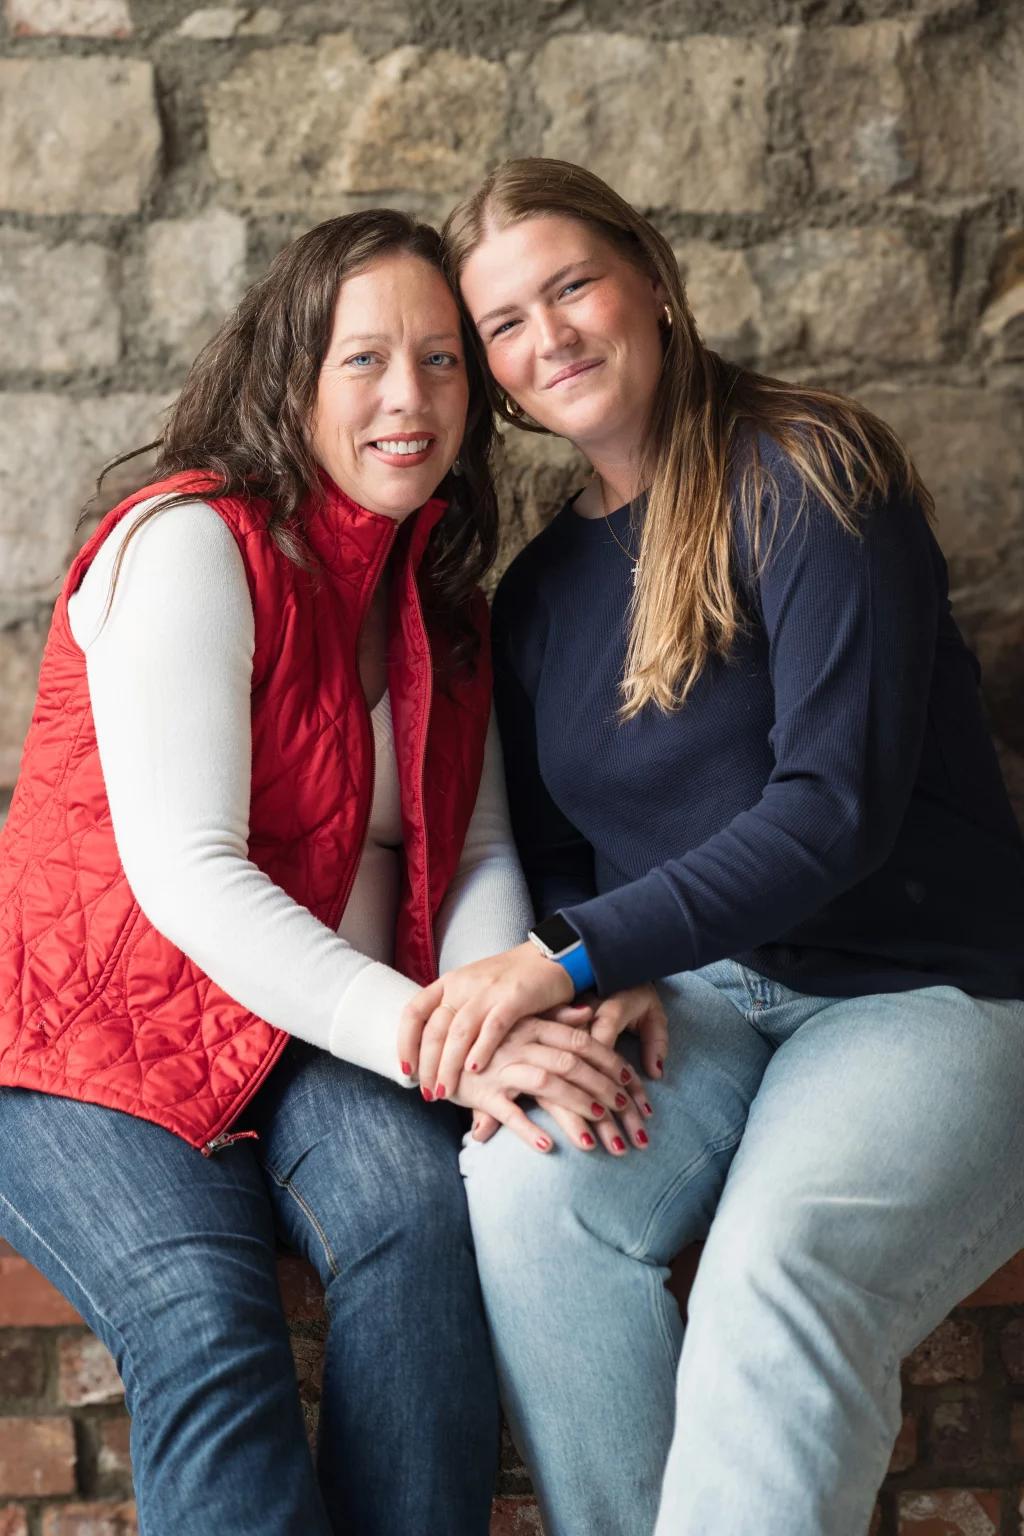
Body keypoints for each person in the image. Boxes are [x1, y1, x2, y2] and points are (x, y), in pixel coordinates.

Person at [398, 159, 1024, 1535]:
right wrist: (602, 954)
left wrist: (574, 952)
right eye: (506, 322)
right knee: (527, 1193)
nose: (548, 335)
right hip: (706, 999)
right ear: (494, 376)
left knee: (779, 1263)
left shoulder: (812, 471)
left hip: (931, 990)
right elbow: (560, 844)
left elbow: (834, 810)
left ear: (652, 282)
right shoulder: (544, 591)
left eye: (572, 286)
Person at [0, 209, 643, 1536]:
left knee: (424, 1230)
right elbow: (188, 871)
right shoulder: (185, 544)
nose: (408, 397)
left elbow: (469, 849)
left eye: (442, 360)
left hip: (305, 1041)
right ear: (291, 374)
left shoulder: (444, 602)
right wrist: (436, 1040)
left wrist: (492, 1020)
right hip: (83, 1042)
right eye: (364, 360)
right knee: (203, 1315)